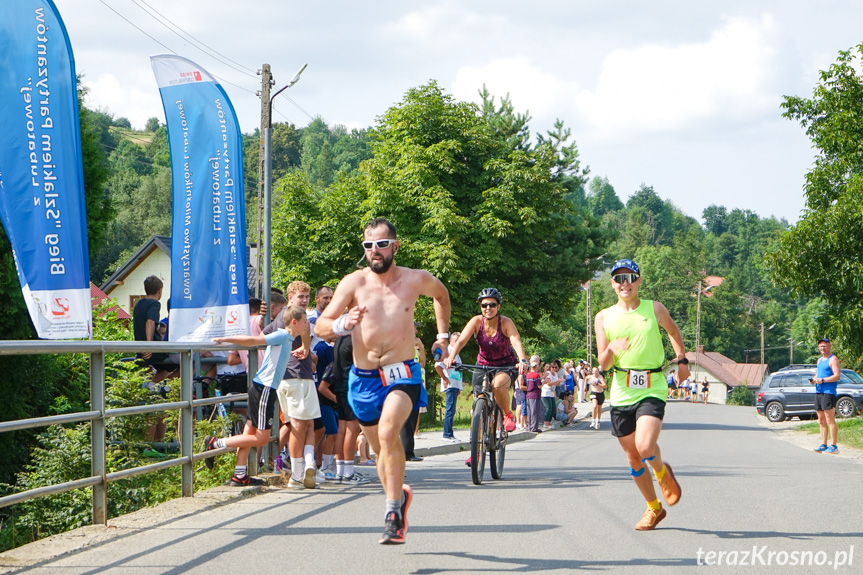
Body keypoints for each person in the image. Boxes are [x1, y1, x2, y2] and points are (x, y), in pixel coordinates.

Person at [315, 217, 451, 545]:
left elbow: (442, 297)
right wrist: (342, 323)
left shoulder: (415, 279)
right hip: (363, 379)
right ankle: (399, 494)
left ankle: (392, 513)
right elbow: (320, 325)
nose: (374, 251)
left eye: (381, 244)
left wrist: (443, 336)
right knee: (380, 453)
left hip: (401, 372)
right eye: (368, 245)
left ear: (395, 245)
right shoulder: (353, 283)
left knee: (391, 433)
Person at [595, 258, 686, 531]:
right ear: (612, 283)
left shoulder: (653, 308)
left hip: (652, 385)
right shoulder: (603, 317)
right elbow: (604, 362)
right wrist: (612, 347)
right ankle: (654, 508)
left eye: (630, 277)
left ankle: (661, 473)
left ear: (639, 281)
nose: (625, 283)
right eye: (619, 278)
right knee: (633, 457)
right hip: (622, 389)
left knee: (645, 447)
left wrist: (682, 361)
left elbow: (673, 331)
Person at [204, 305, 309, 486]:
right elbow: (254, 340)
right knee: (261, 438)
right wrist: (225, 339)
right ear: (294, 322)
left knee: (249, 431)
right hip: (265, 389)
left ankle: (239, 475)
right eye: (305, 322)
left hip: (262, 387)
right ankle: (215, 443)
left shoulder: (288, 337)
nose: (307, 325)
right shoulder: (283, 335)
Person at [445, 287, 528, 436]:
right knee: (478, 402)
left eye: (492, 305)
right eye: (484, 305)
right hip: (483, 364)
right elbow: (462, 340)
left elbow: (516, 342)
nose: (488, 308)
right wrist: (451, 356)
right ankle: (476, 450)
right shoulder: (476, 321)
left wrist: (522, 360)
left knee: (497, 385)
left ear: (498, 307)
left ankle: (507, 414)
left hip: (505, 365)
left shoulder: (506, 323)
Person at [132, 275, 178, 384]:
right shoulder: (155, 304)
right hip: (152, 347)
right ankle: (155, 386)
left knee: (151, 367)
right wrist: (150, 345)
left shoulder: (139, 303)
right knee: (174, 364)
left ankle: (148, 388)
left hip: (139, 345)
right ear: (160, 291)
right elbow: (150, 322)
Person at [813, 338, 841, 454]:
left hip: (828, 392)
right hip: (819, 391)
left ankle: (834, 446)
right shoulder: (819, 360)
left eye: (824, 346)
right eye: (820, 346)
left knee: (830, 419)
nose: (822, 348)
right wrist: (815, 379)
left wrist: (823, 380)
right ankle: (823, 444)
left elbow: (837, 376)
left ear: (829, 346)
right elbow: (819, 374)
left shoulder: (833, 359)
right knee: (821, 419)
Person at [435, 331, 463, 442]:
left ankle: (450, 433)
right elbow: (437, 366)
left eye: (459, 341)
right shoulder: (448, 351)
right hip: (450, 384)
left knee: (452, 410)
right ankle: (447, 434)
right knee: (450, 409)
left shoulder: (456, 353)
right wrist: (445, 379)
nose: (457, 343)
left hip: (455, 385)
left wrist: (459, 387)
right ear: (451, 341)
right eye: (455, 341)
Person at [524, 356, 543, 432]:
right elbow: (539, 386)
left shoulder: (528, 375)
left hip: (528, 394)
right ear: (536, 367)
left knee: (529, 412)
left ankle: (529, 427)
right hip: (535, 394)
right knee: (535, 412)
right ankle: (534, 427)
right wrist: (543, 382)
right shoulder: (536, 375)